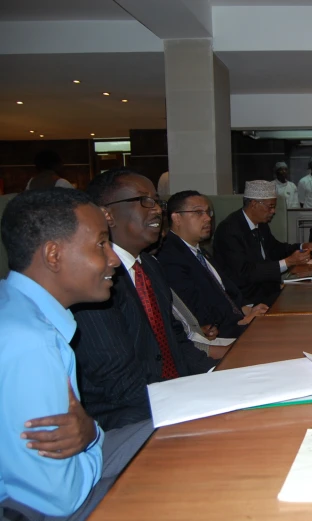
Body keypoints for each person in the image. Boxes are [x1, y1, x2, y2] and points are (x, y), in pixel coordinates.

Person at [0, 189, 153, 521]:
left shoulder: (13, 304)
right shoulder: (31, 344)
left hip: (72, 467)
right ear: (53, 255)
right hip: (40, 508)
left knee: (181, 428)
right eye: (101, 244)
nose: (113, 259)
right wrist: (92, 438)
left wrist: (91, 434)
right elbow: (58, 498)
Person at [72, 169, 216, 431]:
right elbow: (118, 385)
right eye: (144, 201)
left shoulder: (150, 266)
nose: (157, 210)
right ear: (107, 214)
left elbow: (174, 339)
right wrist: (196, 400)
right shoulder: (93, 279)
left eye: (157, 201)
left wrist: (215, 375)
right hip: (128, 419)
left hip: (172, 396)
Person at [156, 190, 268, 340]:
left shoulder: (199, 251)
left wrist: (246, 310)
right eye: (198, 213)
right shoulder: (170, 256)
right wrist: (244, 322)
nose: (208, 218)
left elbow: (224, 290)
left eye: (208, 212)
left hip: (237, 321)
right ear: (176, 218)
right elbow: (196, 313)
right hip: (219, 336)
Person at [212, 180, 312, 306]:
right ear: (254, 204)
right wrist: (288, 262)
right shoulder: (229, 230)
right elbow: (244, 273)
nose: (273, 211)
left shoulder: (260, 224)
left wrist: (302, 246)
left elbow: (275, 249)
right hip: (246, 301)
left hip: (268, 291)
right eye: (270, 206)